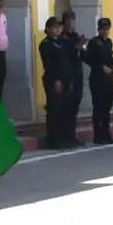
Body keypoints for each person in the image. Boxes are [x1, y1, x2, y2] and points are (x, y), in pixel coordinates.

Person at [39, 16, 81, 149]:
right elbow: (49, 64)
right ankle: (53, 140)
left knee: (66, 109)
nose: (58, 29)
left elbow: (71, 54)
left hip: (67, 79)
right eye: (55, 27)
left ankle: (66, 137)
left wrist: (79, 46)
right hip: (54, 80)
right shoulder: (46, 44)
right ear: (48, 29)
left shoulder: (63, 42)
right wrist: (56, 80)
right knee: (54, 110)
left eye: (59, 27)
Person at [84, 17, 113, 146]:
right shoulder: (94, 43)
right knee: (98, 107)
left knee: (107, 107)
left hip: (108, 80)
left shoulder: (109, 42)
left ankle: (106, 133)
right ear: (98, 29)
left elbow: (110, 56)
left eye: (107, 29)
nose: (105, 31)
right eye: (102, 29)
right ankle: (98, 135)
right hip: (97, 79)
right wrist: (100, 67)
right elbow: (87, 58)